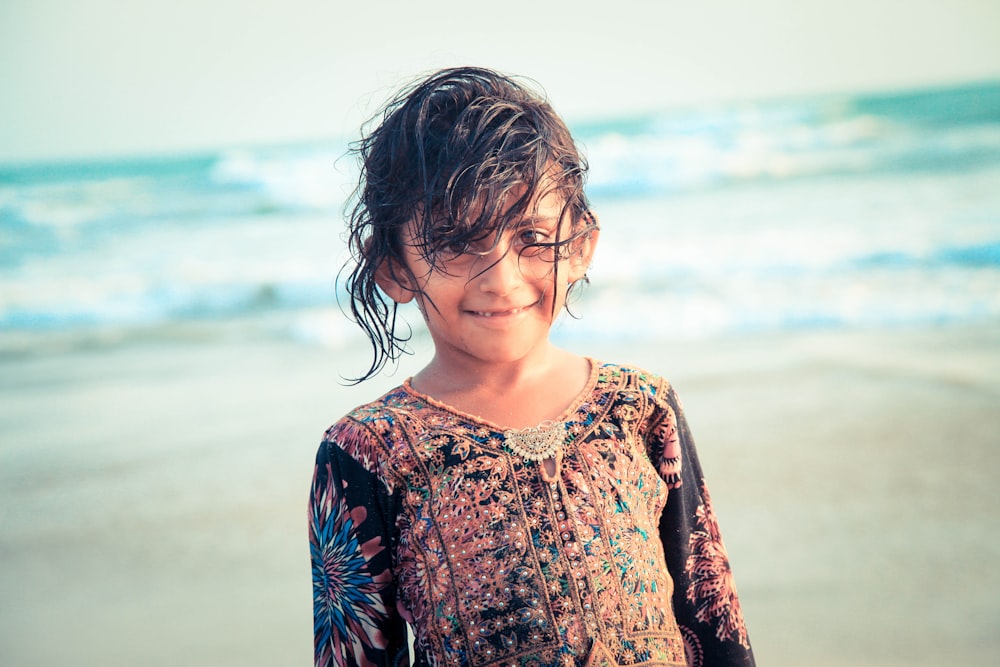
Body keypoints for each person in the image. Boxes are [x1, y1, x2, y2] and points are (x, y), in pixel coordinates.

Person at [309, 66, 754, 667]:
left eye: (532, 237)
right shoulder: (366, 452)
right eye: (457, 241)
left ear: (580, 246)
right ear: (394, 268)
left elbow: (713, 617)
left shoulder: (641, 408)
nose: (501, 278)